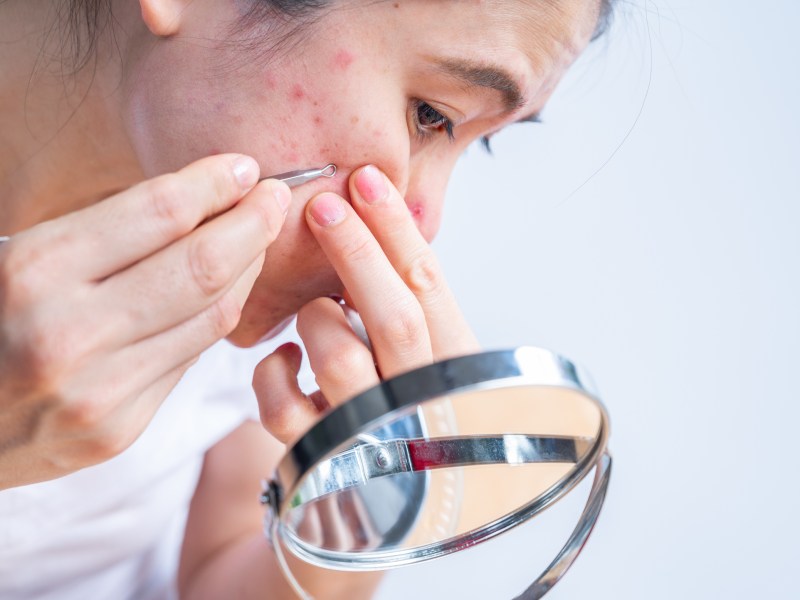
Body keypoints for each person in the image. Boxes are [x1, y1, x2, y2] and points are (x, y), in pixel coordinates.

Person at [0, 0, 613, 598]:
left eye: (479, 141)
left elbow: (218, 569)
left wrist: (359, 512)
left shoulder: (250, 295)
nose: (426, 224)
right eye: (432, 114)